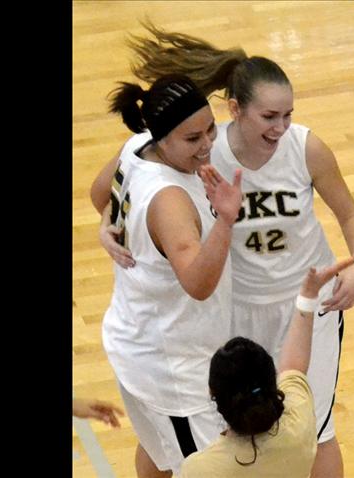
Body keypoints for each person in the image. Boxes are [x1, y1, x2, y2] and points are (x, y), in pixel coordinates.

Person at [92, 22, 354, 478]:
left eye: (288, 115)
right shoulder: (199, 151)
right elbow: (118, 188)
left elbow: (353, 216)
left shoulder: (296, 147)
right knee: (212, 451)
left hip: (303, 307)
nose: (281, 127)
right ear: (236, 110)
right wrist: (111, 224)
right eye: (268, 117)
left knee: (315, 432)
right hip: (229, 318)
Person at [92, 73, 242, 478]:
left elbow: (99, 191)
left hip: (135, 339)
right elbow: (197, 284)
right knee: (208, 469)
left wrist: (107, 224)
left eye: (210, 129)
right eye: (192, 139)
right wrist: (226, 221)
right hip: (174, 370)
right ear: (164, 137)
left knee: (159, 455)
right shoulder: (170, 201)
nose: (208, 144)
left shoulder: (135, 147)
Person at [176, 248, 354, 477]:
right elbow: (295, 365)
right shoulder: (299, 426)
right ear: (273, 383)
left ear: (213, 395)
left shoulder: (199, 468)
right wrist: (308, 298)